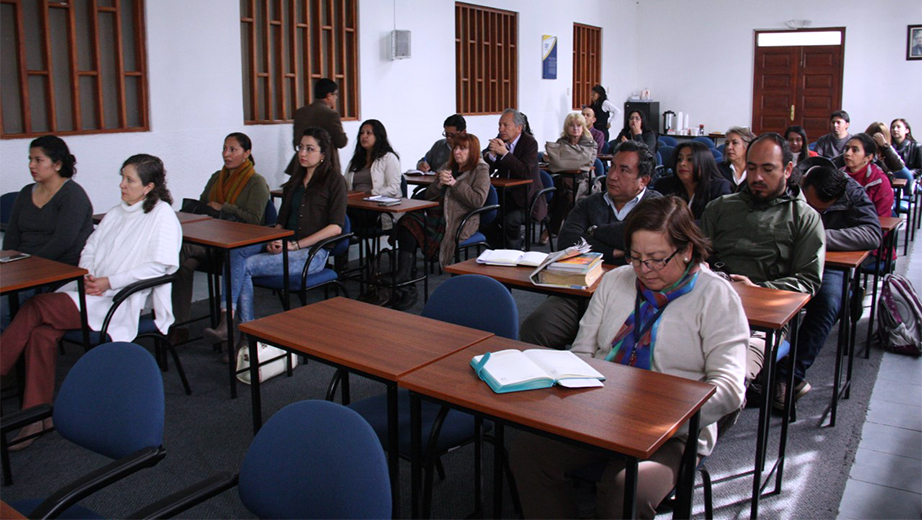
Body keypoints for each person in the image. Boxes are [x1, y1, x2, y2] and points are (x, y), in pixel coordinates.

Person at [511, 196, 748, 520]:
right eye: (636, 258)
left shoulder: (716, 296)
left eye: (656, 259)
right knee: (528, 452)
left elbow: (730, 387)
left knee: (625, 486)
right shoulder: (615, 280)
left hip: (671, 431)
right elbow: (582, 351)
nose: (644, 270)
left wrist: (663, 417)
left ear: (687, 251)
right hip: (599, 410)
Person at [0, 154, 181, 449]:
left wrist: (109, 282)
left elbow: (160, 267)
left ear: (148, 186)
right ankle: (35, 418)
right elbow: (90, 247)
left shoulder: (162, 216)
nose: (122, 185)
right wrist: (90, 276)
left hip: (121, 299)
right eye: (122, 177)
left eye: (129, 180)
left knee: (35, 307)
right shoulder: (117, 212)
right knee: (41, 333)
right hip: (93, 290)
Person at [701, 133, 826, 383]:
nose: (757, 177)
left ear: (788, 169)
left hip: (764, 318)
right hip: (709, 303)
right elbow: (694, 255)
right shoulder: (721, 207)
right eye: (752, 168)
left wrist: (758, 289)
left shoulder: (804, 218)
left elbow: (808, 280)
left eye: (768, 169)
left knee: (728, 377)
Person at [213, 128, 347, 352]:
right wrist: (274, 239)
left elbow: (335, 227)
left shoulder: (335, 182)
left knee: (242, 267)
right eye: (300, 148)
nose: (303, 153)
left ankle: (244, 333)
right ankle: (233, 325)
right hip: (285, 244)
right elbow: (280, 223)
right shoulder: (294, 182)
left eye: (309, 149)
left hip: (312, 253)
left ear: (323, 154)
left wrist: (294, 245)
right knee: (235, 253)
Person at [520, 140, 661, 349]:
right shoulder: (590, 202)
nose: (612, 176)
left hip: (632, 295)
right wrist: (614, 250)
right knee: (536, 328)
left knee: (617, 343)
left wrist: (594, 232)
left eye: (624, 170)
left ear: (643, 180)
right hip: (579, 290)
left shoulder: (655, 205)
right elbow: (567, 241)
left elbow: (640, 243)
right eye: (612, 166)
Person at [774, 165, 882, 408]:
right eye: (811, 206)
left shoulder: (851, 191)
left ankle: (788, 374)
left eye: (823, 209)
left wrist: (819, 235)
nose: (816, 211)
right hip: (783, 254)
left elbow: (873, 234)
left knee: (829, 302)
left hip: (826, 259)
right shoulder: (787, 182)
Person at [174, 132, 270, 345]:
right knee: (185, 265)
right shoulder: (217, 178)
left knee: (182, 252)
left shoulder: (256, 182)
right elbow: (201, 206)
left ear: (247, 153)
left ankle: (153, 291)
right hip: (212, 241)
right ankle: (179, 325)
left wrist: (224, 207)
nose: (226, 154)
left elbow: (255, 220)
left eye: (233, 150)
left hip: (239, 244)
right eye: (224, 149)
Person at [2, 136, 93, 330]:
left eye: (38, 160)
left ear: (57, 164)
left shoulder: (72, 195)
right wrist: (10, 265)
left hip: (56, 270)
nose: (31, 165)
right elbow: (11, 235)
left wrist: (28, 267)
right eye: (30, 159)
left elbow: (63, 242)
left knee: (2, 308)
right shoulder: (26, 193)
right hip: (23, 267)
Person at [390, 134, 490, 310]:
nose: (457, 152)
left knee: (414, 225)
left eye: (462, 148)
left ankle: (405, 282)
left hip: (459, 218)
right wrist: (437, 184)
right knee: (408, 222)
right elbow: (429, 196)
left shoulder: (480, 169)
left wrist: (454, 184)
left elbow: (478, 200)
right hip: (437, 213)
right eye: (456, 148)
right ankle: (406, 279)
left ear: (472, 151)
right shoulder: (448, 166)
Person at [482, 109, 546, 250]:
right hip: (505, 196)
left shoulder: (530, 143)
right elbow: (486, 171)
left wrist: (505, 154)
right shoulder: (499, 139)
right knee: (485, 217)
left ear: (519, 128)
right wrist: (492, 155)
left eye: (505, 125)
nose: (501, 129)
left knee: (510, 221)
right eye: (499, 125)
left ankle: (514, 251)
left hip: (526, 199)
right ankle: (502, 248)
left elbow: (525, 172)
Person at [545, 112, 598, 243]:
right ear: (566, 128)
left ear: (583, 127)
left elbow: (587, 164)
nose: (575, 129)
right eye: (572, 126)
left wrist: (564, 159)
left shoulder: (590, 143)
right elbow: (556, 163)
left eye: (579, 125)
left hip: (584, 180)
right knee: (563, 190)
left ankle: (552, 229)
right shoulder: (561, 142)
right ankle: (562, 229)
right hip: (562, 180)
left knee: (566, 192)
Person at [344, 119, 402, 230]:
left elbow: (393, 188)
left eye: (368, 133)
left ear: (378, 136)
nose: (364, 136)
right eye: (361, 133)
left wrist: (370, 195)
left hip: (377, 207)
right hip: (355, 205)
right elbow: (345, 183)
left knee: (345, 219)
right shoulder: (356, 160)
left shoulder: (388, 158)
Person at [284, 78, 349, 175]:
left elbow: (296, 142)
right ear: (329, 95)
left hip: (301, 164)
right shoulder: (331, 115)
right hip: (325, 165)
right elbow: (341, 142)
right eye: (335, 95)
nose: (336, 98)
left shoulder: (300, 112)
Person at [653, 141, 731, 219]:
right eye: (679, 159)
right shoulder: (664, 185)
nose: (682, 163)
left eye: (690, 159)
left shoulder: (720, 188)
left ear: (704, 163)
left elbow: (721, 222)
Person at [842, 133, 894, 219]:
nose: (847, 153)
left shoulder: (880, 181)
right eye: (847, 149)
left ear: (868, 157)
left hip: (867, 228)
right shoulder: (839, 174)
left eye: (855, 150)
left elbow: (881, 219)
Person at [865, 122, 914, 189]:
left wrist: (885, 146)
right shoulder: (865, 153)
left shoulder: (887, 152)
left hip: (888, 190)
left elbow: (900, 169)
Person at [718, 126, 756, 191]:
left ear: (747, 145)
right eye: (727, 143)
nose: (729, 147)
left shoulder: (756, 171)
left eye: (734, 143)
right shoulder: (718, 170)